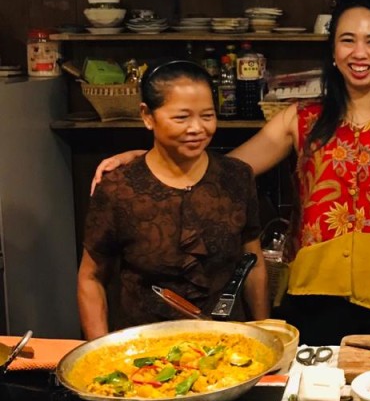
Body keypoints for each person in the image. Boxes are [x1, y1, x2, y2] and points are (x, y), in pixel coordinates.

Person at [91, 1, 370, 345]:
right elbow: (223, 170)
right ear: (333, 51)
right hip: (312, 298)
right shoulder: (300, 120)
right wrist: (151, 156)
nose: (359, 53)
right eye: (347, 39)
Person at [78, 60, 268, 339]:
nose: (197, 128)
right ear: (147, 116)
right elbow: (91, 277)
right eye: (181, 118)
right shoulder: (119, 187)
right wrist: (98, 352)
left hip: (227, 348)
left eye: (207, 116)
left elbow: (253, 262)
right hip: (144, 352)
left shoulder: (236, 177)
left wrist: (265, 333)